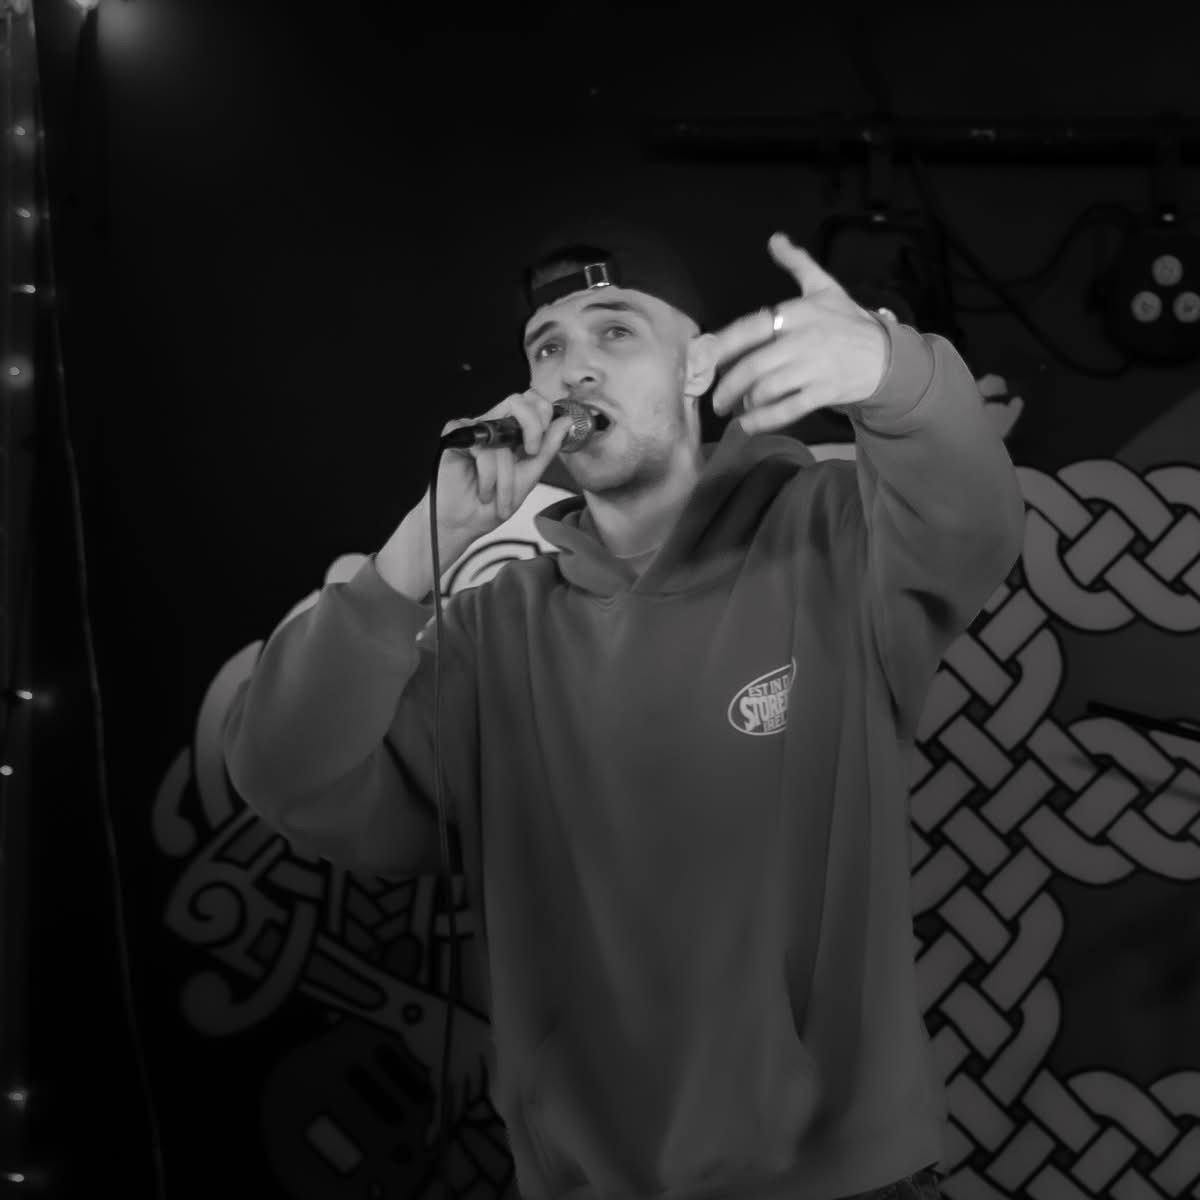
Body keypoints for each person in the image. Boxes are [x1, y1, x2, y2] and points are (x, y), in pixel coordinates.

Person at [223, 217, 1026, 1200]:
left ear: (696, 366)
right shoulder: (492, 631)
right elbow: (284, 773)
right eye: (546, 348)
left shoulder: (827, 533)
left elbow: (975, 522)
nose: (574, 368)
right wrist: (410, 559)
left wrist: (892, 372)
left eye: (614, 331)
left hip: (838, 1182)